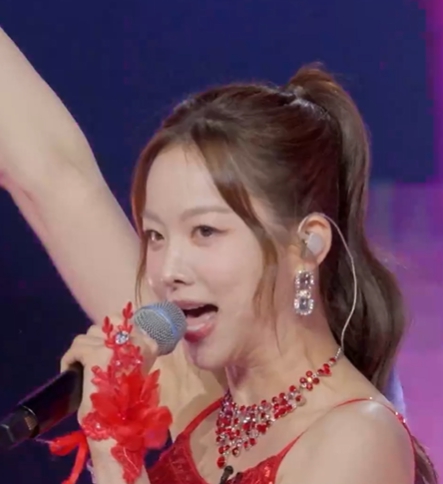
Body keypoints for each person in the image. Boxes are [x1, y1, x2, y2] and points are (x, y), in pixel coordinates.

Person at [0, 28, 435, 484]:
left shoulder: (357, 439)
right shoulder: (203, 397)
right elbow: (55, 177)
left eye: (205, 231)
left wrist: (115, 453)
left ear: (307, 244)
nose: (168, 272)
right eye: (155, 235)